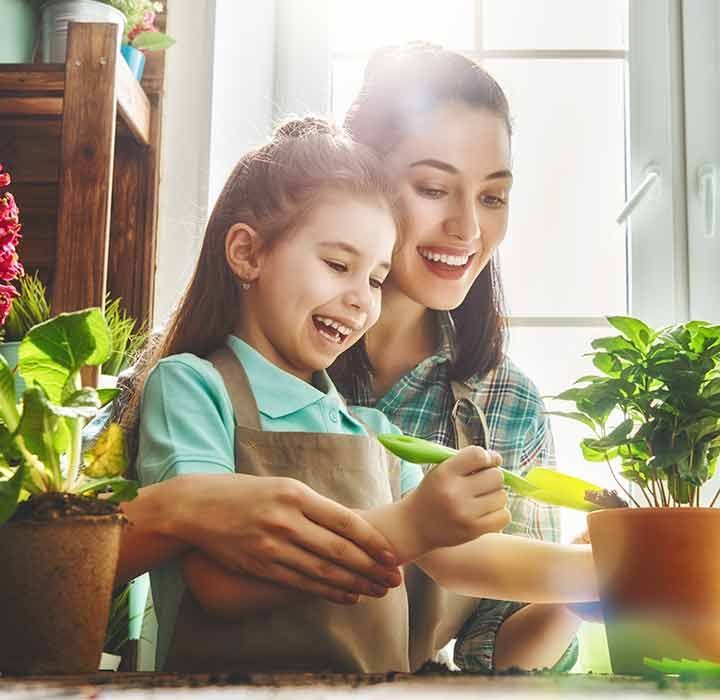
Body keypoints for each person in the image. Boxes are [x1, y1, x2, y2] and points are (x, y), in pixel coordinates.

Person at [127, 117, 596, 672]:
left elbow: (462, 557)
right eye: (337, 266)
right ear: (248, 253)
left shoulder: (373, 432)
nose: (361, 301)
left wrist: (602, 570)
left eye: (375, 279)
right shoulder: (193, 386)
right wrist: (410, 526)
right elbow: (220, 583)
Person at [331, 43, 585, 673]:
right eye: (434, 188)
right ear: (361, 177)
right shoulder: (251, 362)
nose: (468, 229)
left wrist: (595, 575)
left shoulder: (507, 404)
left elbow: (499, 655)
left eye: (493, 197)